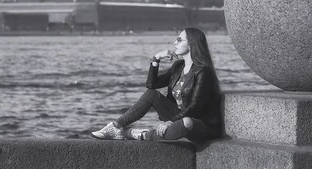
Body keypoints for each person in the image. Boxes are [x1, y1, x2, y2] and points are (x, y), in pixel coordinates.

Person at [91, 27, 222, 142]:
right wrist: (156, 60)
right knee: (152, 95)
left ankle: (140, 134)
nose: (174, 43)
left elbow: (195, 106)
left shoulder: (203, 71)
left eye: (179, 40)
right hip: (178, 117)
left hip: (201, 124)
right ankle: (116, 126)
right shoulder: (178, 66)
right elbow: (151, 85)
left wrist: (170, 122)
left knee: (186, 122)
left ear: (192, 45)